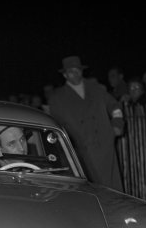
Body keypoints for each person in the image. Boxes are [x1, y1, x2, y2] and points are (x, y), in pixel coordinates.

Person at [49, 55, 124, 191]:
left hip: (105, 147)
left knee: (113, 190)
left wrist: (117, 125)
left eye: (78, 70)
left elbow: (115, 106)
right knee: (92, 191)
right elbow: (56, 126)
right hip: (82, 153)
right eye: (71, 71)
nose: (75, 74)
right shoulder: (57, 98)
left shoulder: (97, 89)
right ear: (65, 75)